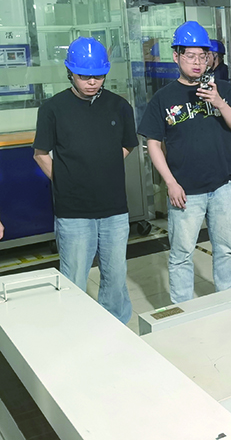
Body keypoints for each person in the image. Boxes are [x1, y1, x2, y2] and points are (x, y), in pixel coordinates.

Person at [138, 21, 231, 304]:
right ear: (176, 56)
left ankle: (228, 302)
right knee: (181, 254)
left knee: (225, 249)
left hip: (222, 187)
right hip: (185, 191)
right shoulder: (163, 98)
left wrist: (219, 102)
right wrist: (170, 183)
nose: (198, 62)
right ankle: (183, 310)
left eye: (203, 56)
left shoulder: (223, 89)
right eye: (190, 56)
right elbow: (153, 144)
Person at [33, 37, 137, 323]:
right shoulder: (52, 109)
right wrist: (66, 180)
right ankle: (74, 329)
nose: (92, 82)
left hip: (114, 209)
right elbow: (40, 154)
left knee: (116, 277)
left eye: (98, 76)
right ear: (70, 73)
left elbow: (127, 144)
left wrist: (103, 168)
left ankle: (116, 328)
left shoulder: (120, 106)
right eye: (84, 76)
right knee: (74, 278)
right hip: (74, 212)